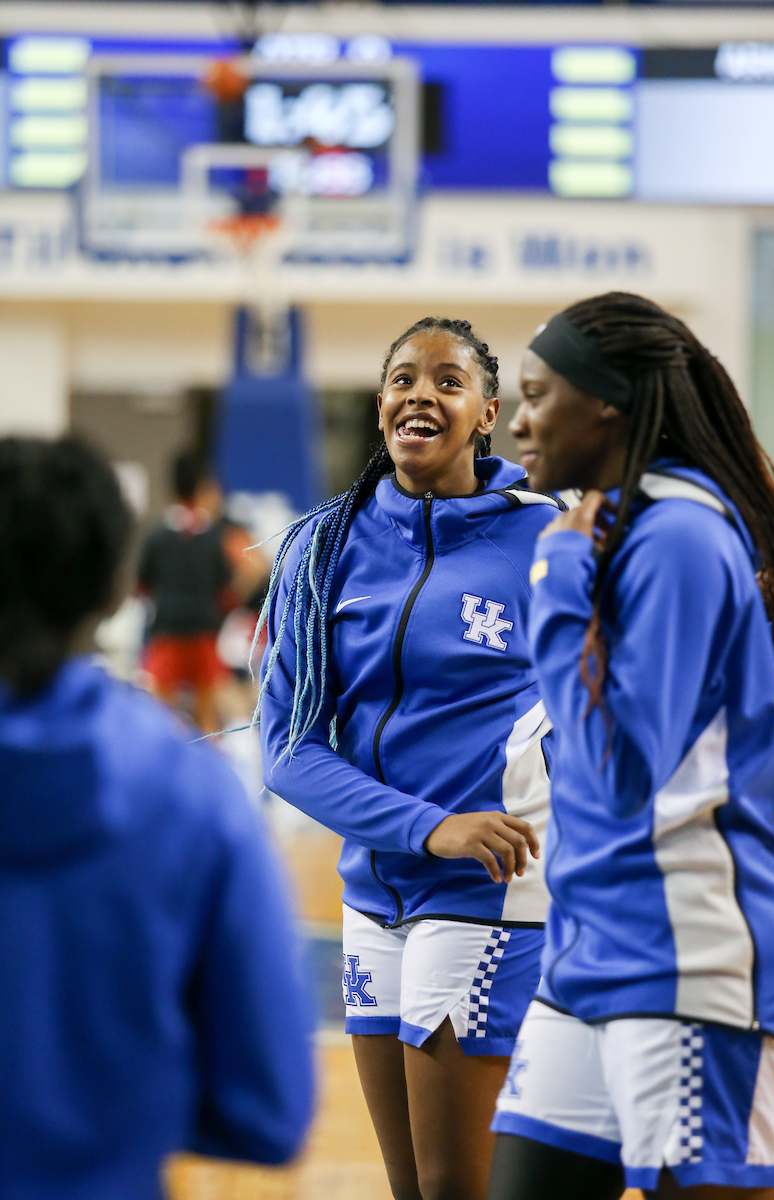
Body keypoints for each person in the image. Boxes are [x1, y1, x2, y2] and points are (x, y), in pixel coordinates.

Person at [488, 292, 774, 1200]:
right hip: (589, 958)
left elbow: (626, 772)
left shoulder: (680, 536)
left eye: (540, 396)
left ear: (608, 405)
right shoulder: (623, 527)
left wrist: (555, 587)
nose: (518, 419)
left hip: (690, 967)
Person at [258, 317, 560, 1200]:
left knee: (456, 1187)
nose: (419, 394)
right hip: (372, 895)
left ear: (486, 414)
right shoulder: (323, 550)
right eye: (401, 378)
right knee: (412, 1191)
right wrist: (429, 828)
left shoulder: (552, 538)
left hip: (488, 895)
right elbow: (287, 752)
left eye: (447, 381)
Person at [0, 436, 314, 1200]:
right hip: (109, 1179)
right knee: (205, 717)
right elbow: (270, 1109)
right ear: (108, 589)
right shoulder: (194, 797)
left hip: (169, 645)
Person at [138, 451, 234, 733]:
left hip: (166, 635)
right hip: (203, 637)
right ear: (200, 487)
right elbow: (226, 590)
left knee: (161, 723)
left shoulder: (156, 537)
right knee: (207, 723)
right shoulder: (214, 539)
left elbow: (142, 587)